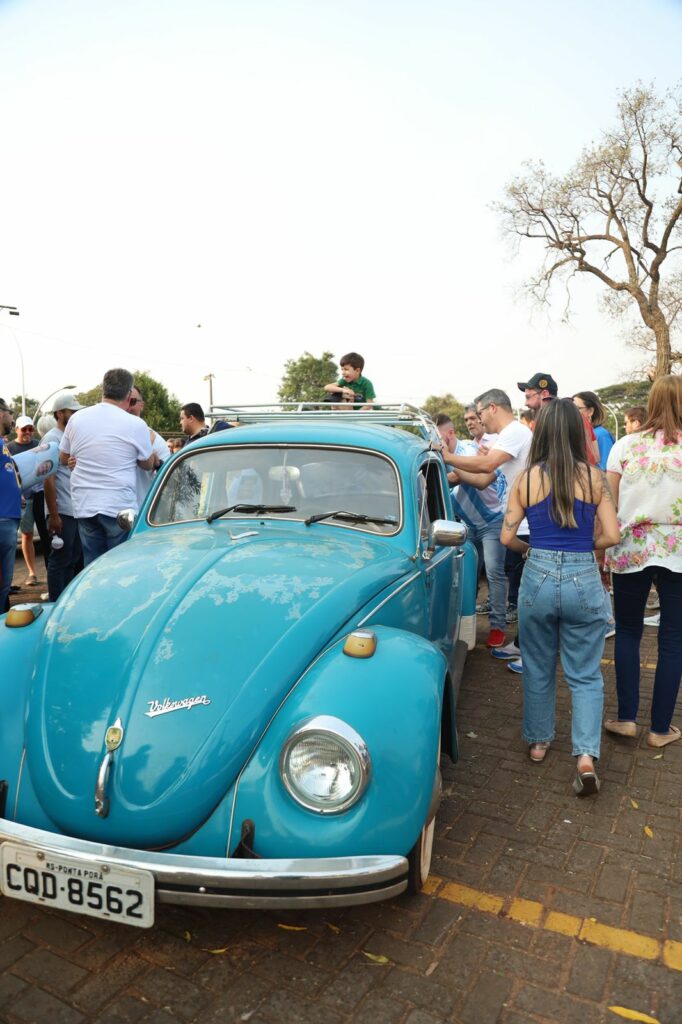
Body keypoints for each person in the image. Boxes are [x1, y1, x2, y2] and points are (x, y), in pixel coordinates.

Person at [501, 399, 620, 796]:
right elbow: (613, 536)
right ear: (576, 431)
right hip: (584, 574)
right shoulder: (596, 478)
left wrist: (529, 551)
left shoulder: (526, 479)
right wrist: (586, 544)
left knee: (537, 664)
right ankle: (585, 757)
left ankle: (538, 742)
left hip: (537, 576)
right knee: (585, 673)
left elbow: (507, 536)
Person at [604, 375, 682, 748]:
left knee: (629, 630)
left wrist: (601, 547)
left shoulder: (624, 445)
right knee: (673, 639)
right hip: (678, 550)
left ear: (650, 402)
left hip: (630, 546)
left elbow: (610, 501)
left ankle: (626, 718)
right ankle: (660, 729)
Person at [60, 368, 155, 565]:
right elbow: (147, 464)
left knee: (93, 566)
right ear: (129, 395)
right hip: (118, 507)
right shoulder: (135, 424)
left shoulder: (77, 418)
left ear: (103, 390)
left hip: (85, 503)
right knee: (121, 566)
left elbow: (63, 457)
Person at [437, 413, 508, 648]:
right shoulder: (439, 458)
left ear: (450, 434)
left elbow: (462, 478)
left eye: (438, 437)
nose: (435, 443)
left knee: (495, 573)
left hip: (492, 521)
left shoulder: (467, 450)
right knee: (466, 575)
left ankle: (498, 627)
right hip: (469, 525)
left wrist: (436, 477)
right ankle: (466, 626)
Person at [41, 392, 84, 601]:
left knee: (72, 559)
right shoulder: (51, 439)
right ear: (60, 413)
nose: (75, 415)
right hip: (63, 510)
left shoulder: (68, 436)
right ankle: (56, 605)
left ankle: (66, 603)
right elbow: (48, 479)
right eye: (72, 411)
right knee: (60, 560)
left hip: (74, 508)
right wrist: (54, 514)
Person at [518, 372, 600, 464]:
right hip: (587, 474)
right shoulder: (579, 416)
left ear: (544, 394)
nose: (526, 403)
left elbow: (537, 460)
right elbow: (596, 456)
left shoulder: (543, 420)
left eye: (528, 397)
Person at [9, 414, 50, 583]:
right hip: (23, 498)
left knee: (45, 534)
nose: (27, 432)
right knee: (26, 535)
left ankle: (50, 572)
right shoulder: (9, 448)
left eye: (30, 429)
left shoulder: (38, 445)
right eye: (24, 429)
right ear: (16, 430)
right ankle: (32, 573)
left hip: (40, 494)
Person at [127, 385, 170, 508]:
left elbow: (167, 480)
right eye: (125, 401)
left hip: (142, 514)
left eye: (133, 401)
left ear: (142, 405)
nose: (128, 406)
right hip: (110, 513)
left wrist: (156, 463)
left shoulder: (157, 441)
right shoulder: (109, 437)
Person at [0, 398, 22, 613]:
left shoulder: (1, 444)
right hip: (2, 519)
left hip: (7, 518)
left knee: (4, 587)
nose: (11, 417)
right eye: (9, 412)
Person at [572, 391, 615, 469]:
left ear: (591, 411)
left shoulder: (601, 434)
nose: (572, 412)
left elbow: (606, 468)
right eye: (571, 408)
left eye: (577, 408)